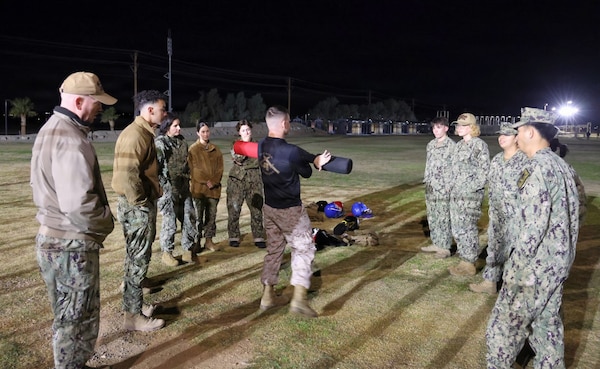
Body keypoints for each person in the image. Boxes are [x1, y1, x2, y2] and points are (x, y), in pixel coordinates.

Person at [31, 71, 116, 369]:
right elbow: (79, 206)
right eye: (97, 103)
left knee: (66, 317)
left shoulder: (50, 129)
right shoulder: (70, 139)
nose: (100, 109)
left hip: (52, 239)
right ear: (80, 101)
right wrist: (107, 222)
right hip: (72, 246)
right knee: (78, 321)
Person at [486, 107, 580, 368]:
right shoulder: (562, 166)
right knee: (547, 326)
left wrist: (515, 267)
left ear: (529, 131)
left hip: (532, 267)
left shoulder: (536, 169)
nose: (515, 136)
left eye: (518, 130)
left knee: (504, 326)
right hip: (557, 264)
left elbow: (532, 227)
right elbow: (577, 212)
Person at [256, 105, 331, 318]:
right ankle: (299, 300)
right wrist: (317, 161)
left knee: (274, 250)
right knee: (304, 249)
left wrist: (312, 158)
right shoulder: (291, 151)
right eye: (288, 121)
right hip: (290, 211)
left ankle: (267, 296)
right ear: (283, 124)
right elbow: (306, 171)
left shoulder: (262, 145)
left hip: (270, 208)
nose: (289, 124)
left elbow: (302, 159)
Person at [112, 90, 167, 332]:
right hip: (136, 207)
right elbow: (127, 175)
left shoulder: (143, 133)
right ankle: (133, 316)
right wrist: (142, 201)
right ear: (150, 110)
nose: (165, 113)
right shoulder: (136, 135)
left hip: (137, 204)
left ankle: (134, 304)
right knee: (137, 260)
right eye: (162, 109)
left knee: (136, 258)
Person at [469, 123, 527, 294]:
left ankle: (512, 286)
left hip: (516, 217)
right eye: (500, 134)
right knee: (494, 248)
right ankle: (489, 282)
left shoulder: (525, 162)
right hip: (497, 215)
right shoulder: (496, 160)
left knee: (515, 251)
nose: (501, 138)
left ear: (516, 138)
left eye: (506, 135)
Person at [448, 113, 490, 276]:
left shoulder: (479, 145)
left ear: (472, 127)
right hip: (456, 194)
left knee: (467, 228)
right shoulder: (459, 146)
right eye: (457, 125)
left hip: (470, 196)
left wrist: (469, 189)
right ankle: (464, 258)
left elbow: (484, 172)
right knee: (458, 228)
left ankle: (469, 262)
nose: (457, 128)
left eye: (461, 125)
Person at [155, 112, 198, 266]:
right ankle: (167, 253)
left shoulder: (182, 142)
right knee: (170, 221)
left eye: (179, 125)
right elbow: (157, 168)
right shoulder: (161, 143)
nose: (179, 128)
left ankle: (188, 250)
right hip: (168, 189)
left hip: (183, 187)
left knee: (189, 217)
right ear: (167, 127)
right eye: (175, 126)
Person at [226, 120, 267, 248]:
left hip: (254, 181)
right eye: (243, 130)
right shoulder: (236, 144)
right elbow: (238, 158)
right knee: (234, 209)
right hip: (236, 181)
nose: (246, 132)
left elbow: (264, 161)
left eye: (248, 129)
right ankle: (233, 236)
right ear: (239, 132)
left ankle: (259, 236)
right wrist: (248, 148)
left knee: (256, 210)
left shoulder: (258, 145)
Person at [420, 116, 456, 258]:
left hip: (443, 187)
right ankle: (436, 242)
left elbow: (454, 168)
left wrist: (449, 186)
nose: (436, 130)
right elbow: (429, 165)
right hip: (431, 186)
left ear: (446, 128)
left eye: (439, 127)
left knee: (443, 217)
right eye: (434, 127)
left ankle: (445, 247)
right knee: (433, 216)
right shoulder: (431, 145)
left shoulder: (451, 146)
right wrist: (427, 180)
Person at [188, 122, 224, 252]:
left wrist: (213, 181)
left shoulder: (216, 150)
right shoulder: (193, 149)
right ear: (198, 133)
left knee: (211, 217)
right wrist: (206, 181)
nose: (205, 134)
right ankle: (196, 242)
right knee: (198, 217)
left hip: (213, 190)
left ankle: (209, 241)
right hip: (199, 190)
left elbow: (220, 168)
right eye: (202, 131)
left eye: (207, 131)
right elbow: (194, 170)